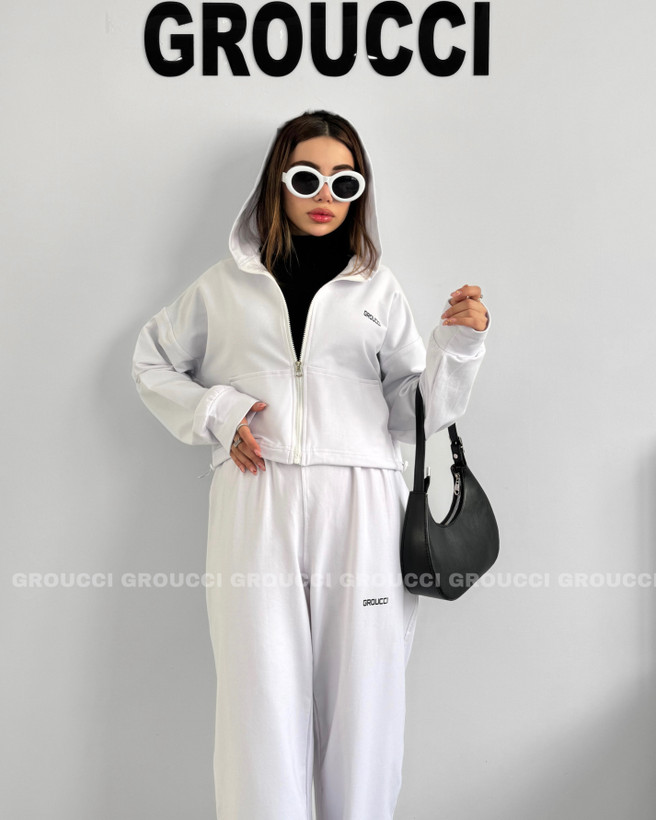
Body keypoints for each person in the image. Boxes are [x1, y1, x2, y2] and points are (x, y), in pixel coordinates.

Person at [131, 110, 490, 820]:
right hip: (254, 497)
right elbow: (152, 363)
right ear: (278, 182)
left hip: (363, 501)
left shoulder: (378, 290)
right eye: (307, 177)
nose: (325, 194)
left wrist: (459, 346)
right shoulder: (222, 287)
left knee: (365, 704)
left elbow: (413, 413)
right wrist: (219, 412)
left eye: (344, 182)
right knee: (258, 701)